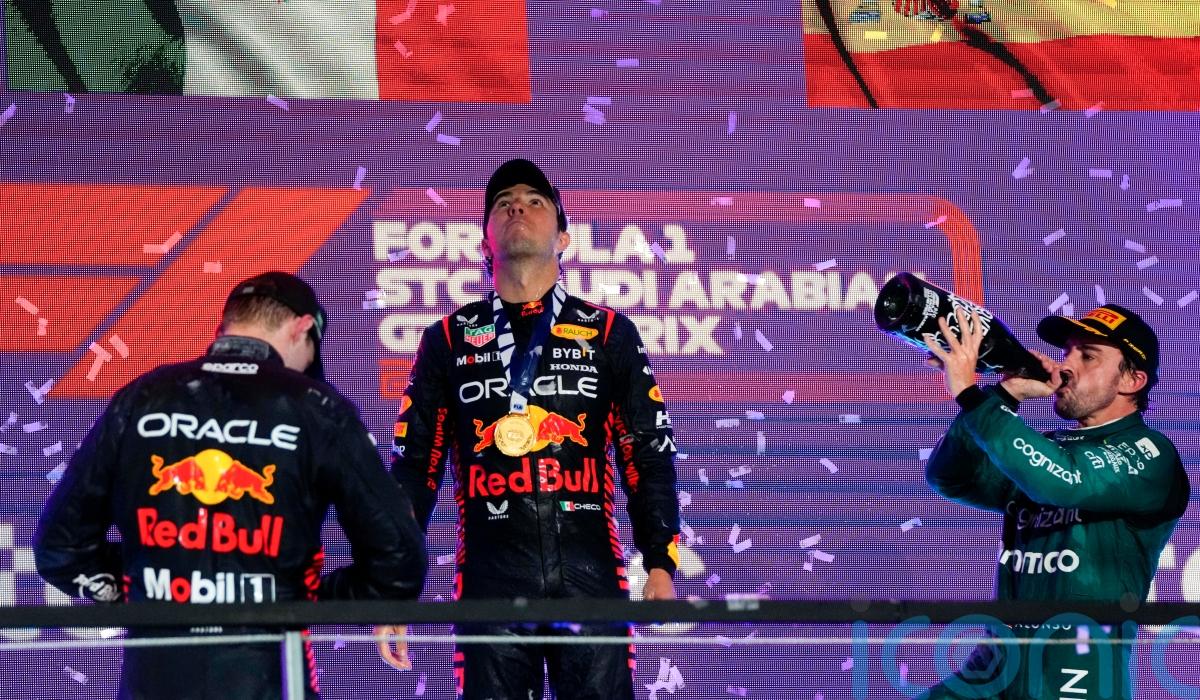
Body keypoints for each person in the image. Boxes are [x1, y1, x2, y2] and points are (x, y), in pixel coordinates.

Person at [34, 271, 428, 700]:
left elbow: (60, 548)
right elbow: (399, 558)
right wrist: (307, 596)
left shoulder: (142, 397)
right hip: (268, 678)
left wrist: (146, 585)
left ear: (226, 325)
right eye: (311, 352)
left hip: (154, 681)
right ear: (301, 328)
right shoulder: (318, 406)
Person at [378, 158, 680, 699]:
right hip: (489, 581)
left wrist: (658, 561)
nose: (517, 207)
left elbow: (647, 452)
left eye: (535, 201)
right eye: (503, 203)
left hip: (590, 573)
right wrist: (395, 585)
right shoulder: (446, 338)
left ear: (563, 238)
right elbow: (414, 470)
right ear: (484, 242)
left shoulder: (609, 332)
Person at [920, 303, 1189, 699]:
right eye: (1067, 352)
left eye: (1088, 356)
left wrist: (971, 395)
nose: (1066, 366)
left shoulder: (1150, 454)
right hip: (996, 666)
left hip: (1076, 672)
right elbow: (951, 477)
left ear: (1132, 380)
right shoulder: (1048, 449)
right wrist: (1005, 393)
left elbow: (1065, 482)